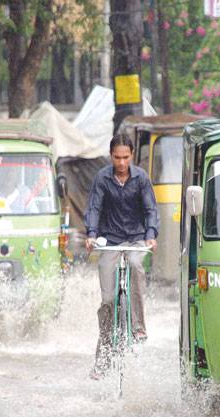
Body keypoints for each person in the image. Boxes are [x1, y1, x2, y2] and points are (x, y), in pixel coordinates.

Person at [84, 133, 159, 380]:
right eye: (117, 157)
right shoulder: (102, 178)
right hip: (110, 240)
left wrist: (151, 235)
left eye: (126, 157)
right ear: (111, 156)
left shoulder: (142, 178)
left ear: (132, 155)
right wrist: (91, 234)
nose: (122, 163)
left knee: (137, 267)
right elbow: (94, 207)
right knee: (107, 300)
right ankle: (103, 356)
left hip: (137, 238)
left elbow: (150, 209)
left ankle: (138, 328)